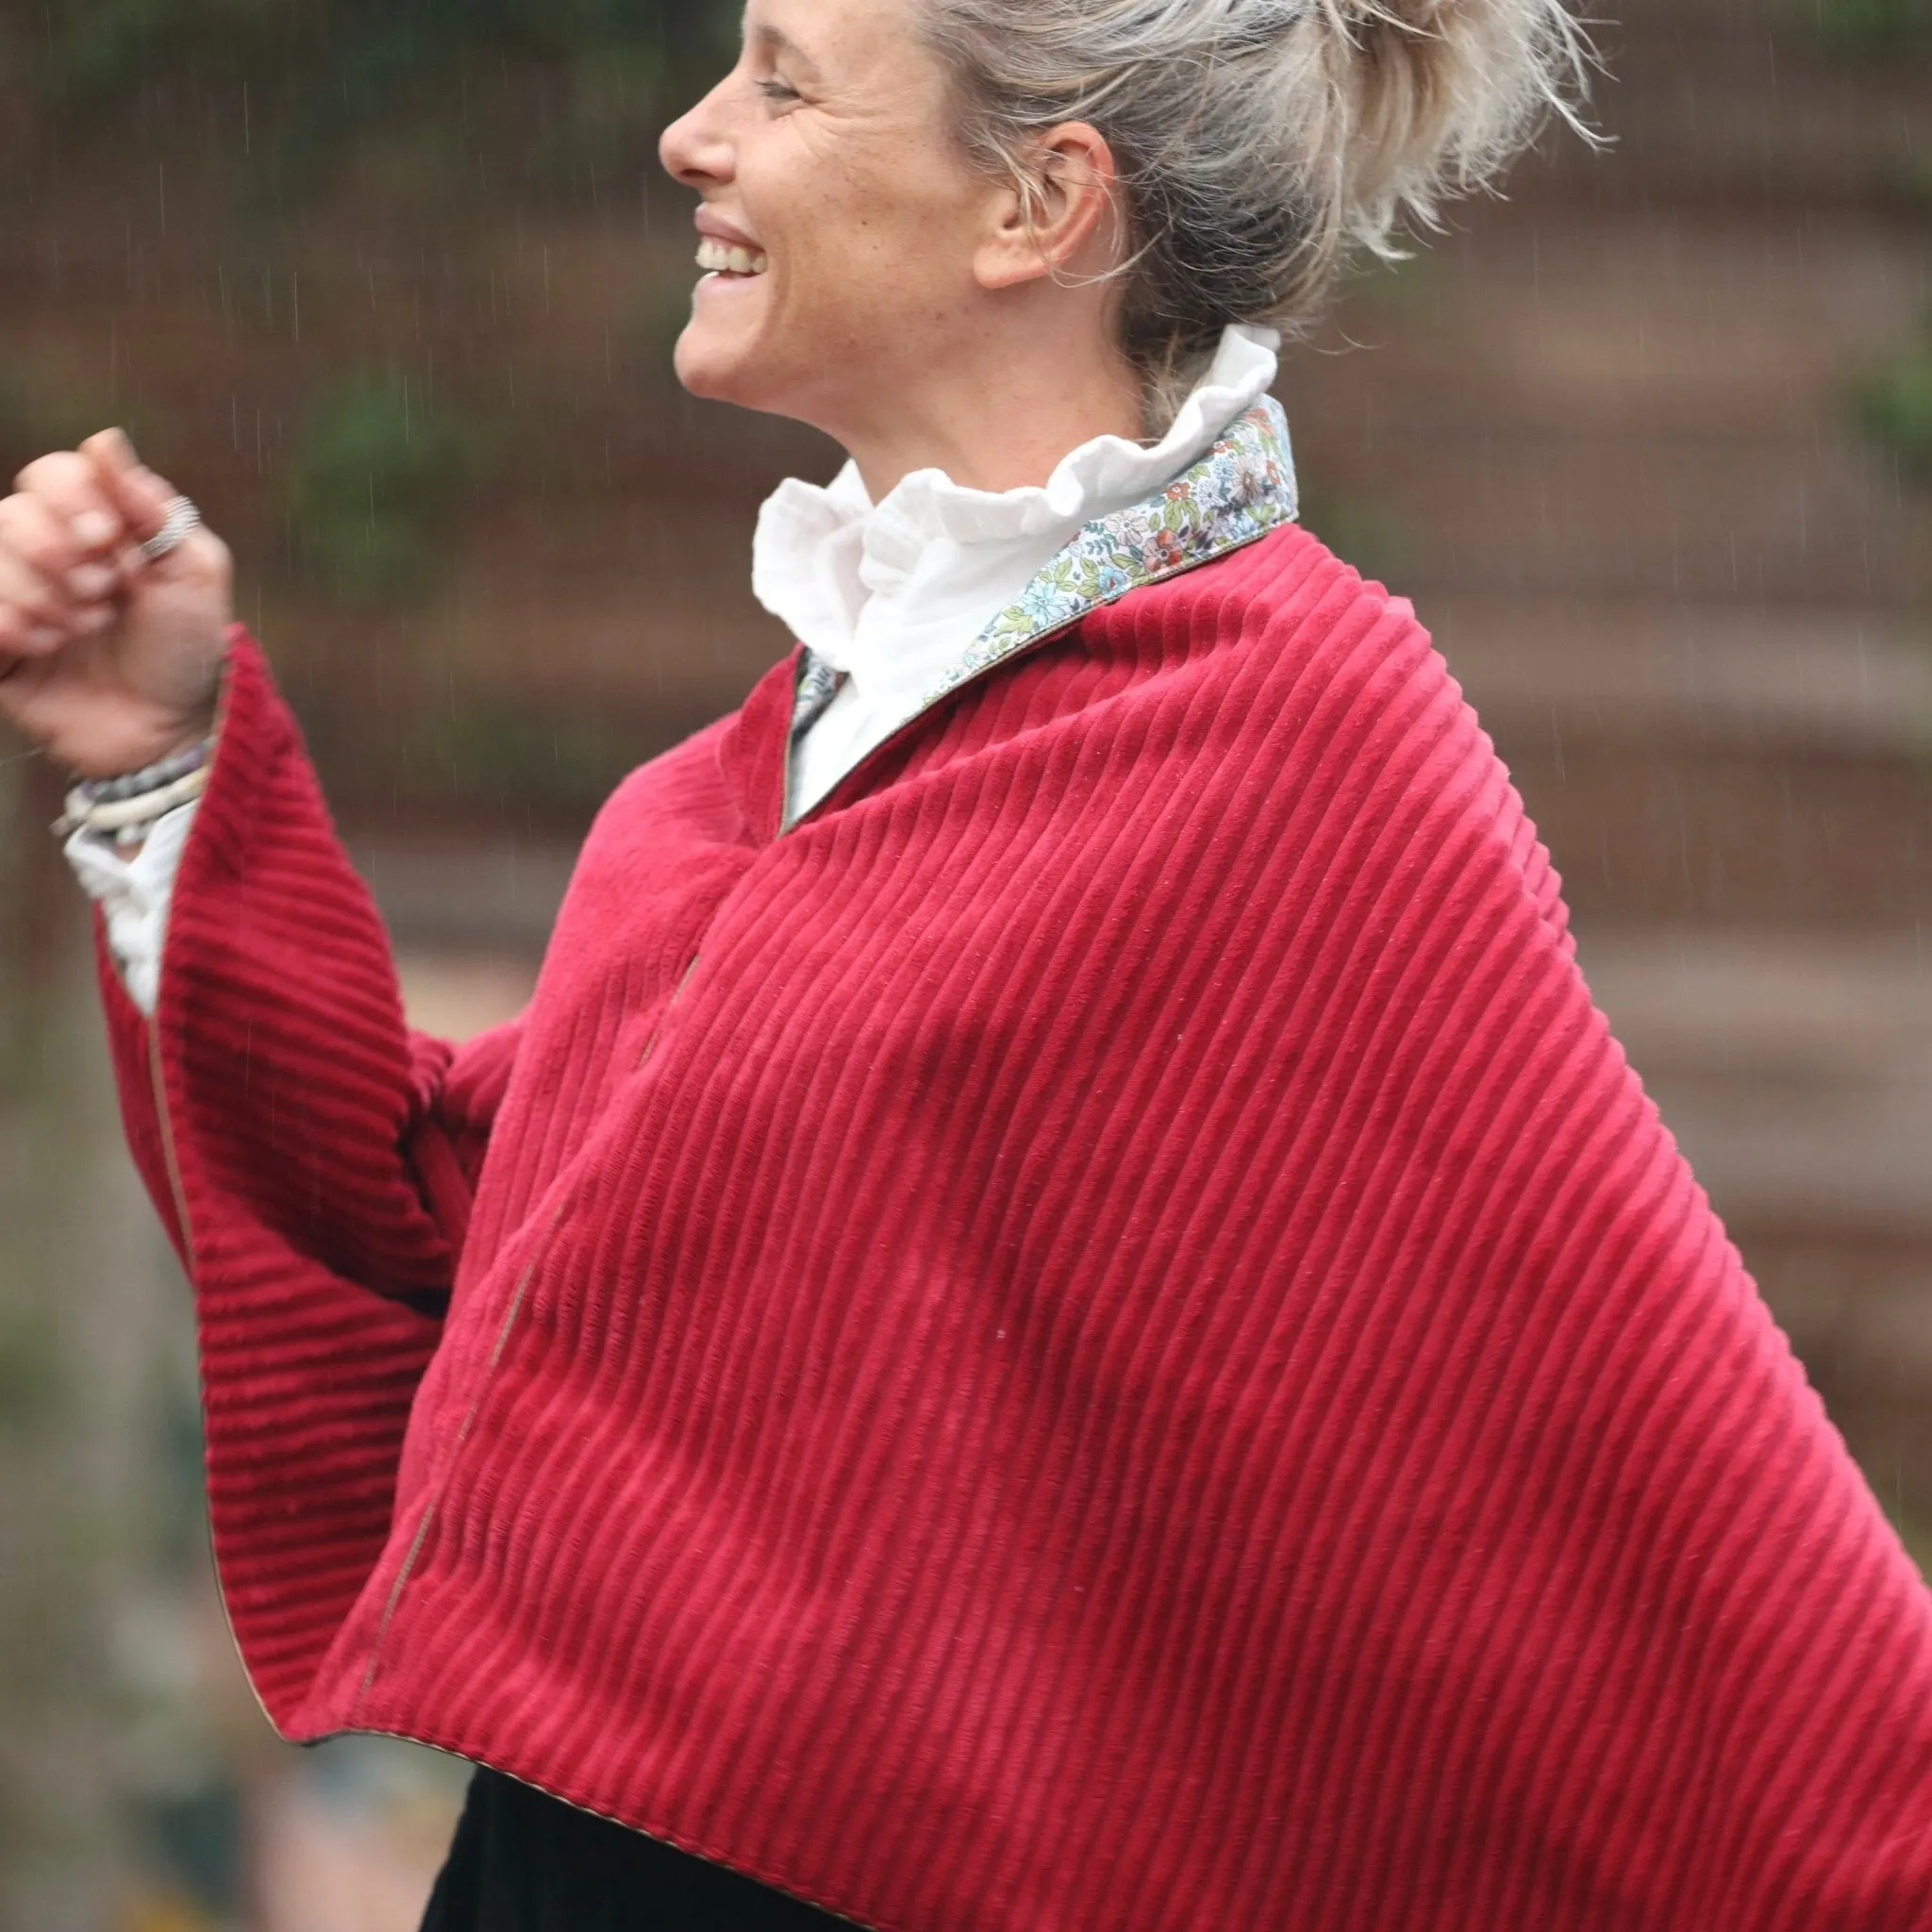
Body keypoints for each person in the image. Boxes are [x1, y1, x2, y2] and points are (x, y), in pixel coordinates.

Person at [4, 0, 1931, 1924]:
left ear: (1037, 200)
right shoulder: (770, 764)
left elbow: (1682, 1527)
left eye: (778, 76)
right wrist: (168, 767)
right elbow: (459, 1270)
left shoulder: (1311, 756)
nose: (692, 137)